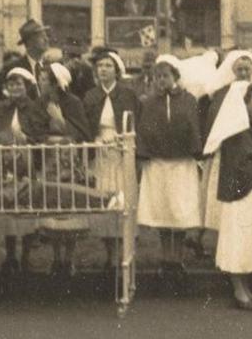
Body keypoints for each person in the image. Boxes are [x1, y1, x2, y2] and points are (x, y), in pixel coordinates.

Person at [203, 82, 252, 311]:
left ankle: (244, 287)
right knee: (238, 239)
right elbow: (242, 163)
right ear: (242, 103)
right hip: (239, 193)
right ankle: (238, 290)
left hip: (249, 190)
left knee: (247, 239)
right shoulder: (235, 132)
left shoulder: (249, 127)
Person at [137, 55, 202, 278]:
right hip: (158, 164)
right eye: (157, 76)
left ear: (175, 76)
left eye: (165, 75)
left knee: (180, 212)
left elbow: (194, 126)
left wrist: (194, 149)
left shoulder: (189, 100)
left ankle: (178, 257)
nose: (161, 80)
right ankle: (166, 258)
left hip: (181, 164)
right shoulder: (148, 102)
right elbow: (144, 129)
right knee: (163, 211)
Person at [198, 50, 252, 233]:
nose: (244, 74)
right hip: (226, 155)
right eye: (240, 70)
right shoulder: (222, 94)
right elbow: (214, 122)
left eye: (247, 70)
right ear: (233, 71)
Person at [83, 48, 140, 271]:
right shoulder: (91, 96)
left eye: (108, 66)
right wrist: (95, 141)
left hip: (121, 152)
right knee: (104, 201)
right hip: (100, 154)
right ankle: (109, 253)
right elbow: (87, 126)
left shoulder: (128, 95)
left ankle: (122, 253)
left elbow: (135, 124)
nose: (103, 70)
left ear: (117, 70)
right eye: (100, 66)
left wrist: (122, 140)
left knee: (124, 200)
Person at [34, 63, 92, 278]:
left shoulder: (73, 102)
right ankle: (56, 257)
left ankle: (69, 257)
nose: (40, 83)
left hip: (69, 163)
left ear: (55, 83)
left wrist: (60, 121)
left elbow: (82, 132)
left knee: (70, 206)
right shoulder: (41, 102)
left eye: (44, 80)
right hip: (50, 162)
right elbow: (35, 129)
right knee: (54, 207)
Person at [0, 67, 43, 274]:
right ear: (6, 88)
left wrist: (26, 140)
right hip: (5, 162)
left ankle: (26, 255)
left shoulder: (35, 108)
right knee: (8, 208)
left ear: (26, 86)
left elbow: (40, 133)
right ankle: (10, 256)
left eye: (19, 84)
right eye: (11, 84)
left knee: (27, 206)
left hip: (28, 163)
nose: (15, 87)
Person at [0, 20, 50, 101]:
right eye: (41, 37)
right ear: (29, 42)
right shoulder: (13, 67)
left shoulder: (50, 66)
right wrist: (11, 102)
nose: (46, 39)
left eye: (46, 36)